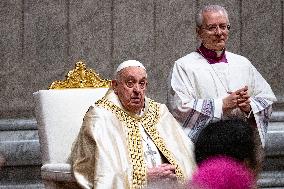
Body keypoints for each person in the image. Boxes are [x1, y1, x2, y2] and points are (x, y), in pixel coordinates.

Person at [168, 4, 276, 173]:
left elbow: (267, 99)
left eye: (223, 27)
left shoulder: (243, 63)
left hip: (240, 146)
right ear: (199, 32)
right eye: (212, 28)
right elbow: (179, 106)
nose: (219, 33)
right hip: (206, 147)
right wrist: (222, 105)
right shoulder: (184, 66)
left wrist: (249, 106)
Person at [71, 60, 196, 189]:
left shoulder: (158, 112)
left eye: (142, 83)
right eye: (130, 83)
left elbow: (185, 156)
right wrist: (144, 177)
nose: (137, 90)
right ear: (115, 86)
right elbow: (96, 170)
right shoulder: (100, 117)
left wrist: (176, 171)